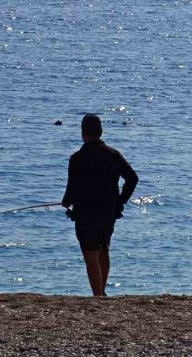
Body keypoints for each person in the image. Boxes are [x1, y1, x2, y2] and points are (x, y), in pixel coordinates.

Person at [61, 114, 138, 296]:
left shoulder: (77, 158)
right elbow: (132, 179)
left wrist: (66, 202)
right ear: (101, 132)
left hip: (85, 213)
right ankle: (101, 292)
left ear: (83, 133)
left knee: (91, 256)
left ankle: (98, 295)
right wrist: (120, 201)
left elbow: (71, 189)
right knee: (103, 250)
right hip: (108, 212)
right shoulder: (113, 155)